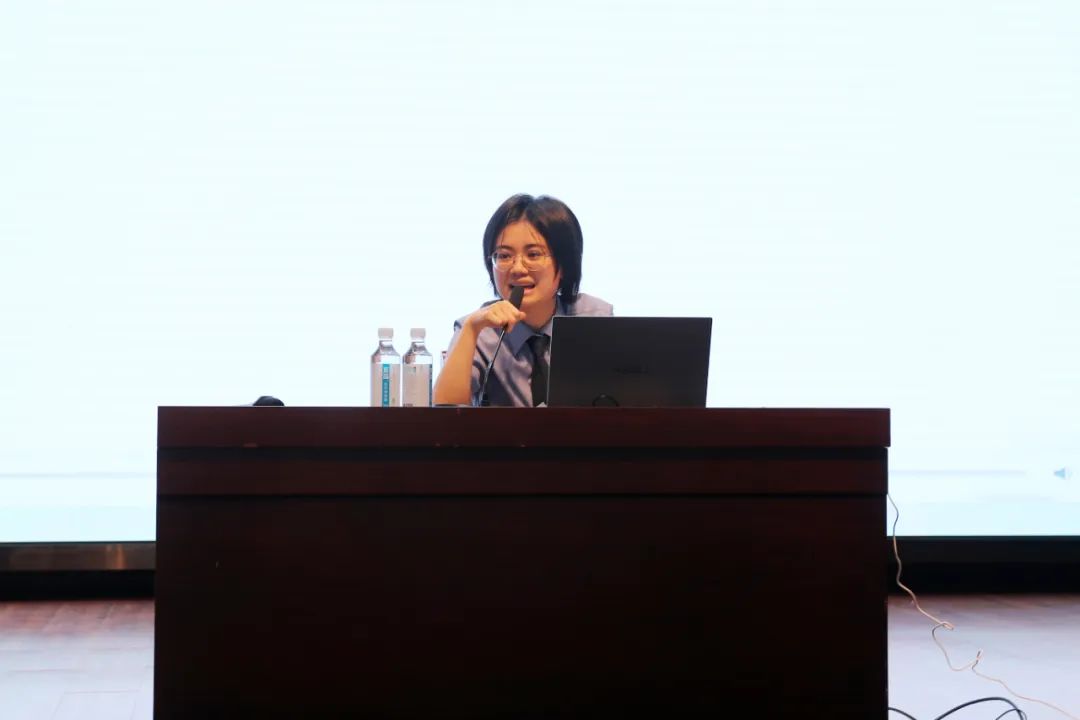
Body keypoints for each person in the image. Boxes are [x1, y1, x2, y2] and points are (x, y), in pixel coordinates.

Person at [434, 194, 613, 407]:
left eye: (534, 254)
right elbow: (445, 411)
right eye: (504, 256)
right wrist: (471, 329)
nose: (518, 269)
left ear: (564, 265)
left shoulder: (592, 318)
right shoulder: (479, 329)